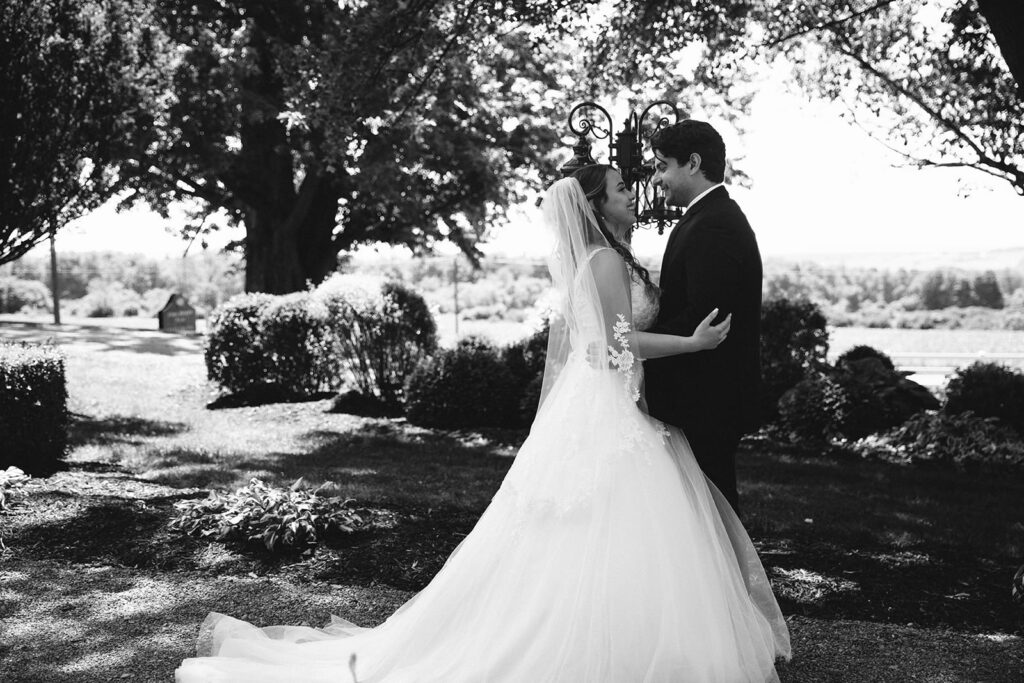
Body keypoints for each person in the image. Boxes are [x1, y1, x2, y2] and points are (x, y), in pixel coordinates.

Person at [175, 167, 790, 682]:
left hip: (605, 408)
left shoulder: (603, 257)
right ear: (597, 206)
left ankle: (617, 638)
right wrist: (693, 342)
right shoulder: (603, 261)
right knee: (610, 526)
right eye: (622, 188)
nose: (633, 195)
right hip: (607, 410)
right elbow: (612, 349)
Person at [645, 120, 765, 515]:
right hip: (699, 394)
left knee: (713, 510)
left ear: (693, 163)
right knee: (696, 511)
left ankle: (727, 579)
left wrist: (638, 342)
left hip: (708, 397)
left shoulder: (715, 225)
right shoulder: (704, 217)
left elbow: (705, 315)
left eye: (663, 166)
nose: (657, 179)